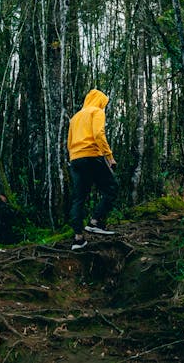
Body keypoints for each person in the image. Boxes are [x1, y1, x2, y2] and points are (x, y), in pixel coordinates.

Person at [67, 89, 118, 250]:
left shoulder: (75, 117)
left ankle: (78, 238)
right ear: (100, 102)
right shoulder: (97, 112)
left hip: (75, 159)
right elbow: (98, 134)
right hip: (92, 155)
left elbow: (69, 142)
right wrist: (109, 156)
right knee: (111, 188)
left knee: (79, 198)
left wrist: (74, 157)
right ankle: (95, 221)